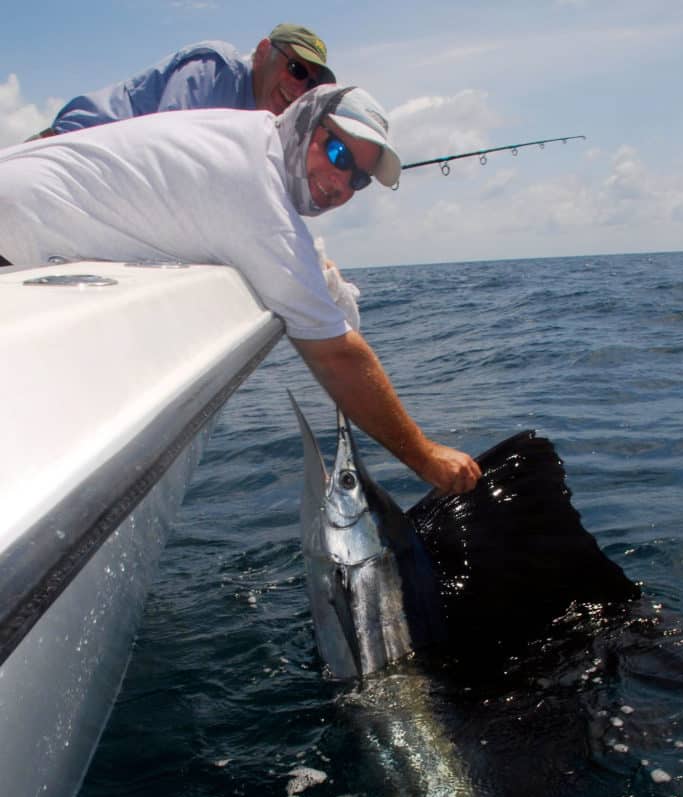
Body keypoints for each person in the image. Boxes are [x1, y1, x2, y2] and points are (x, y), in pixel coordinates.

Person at [0, 86, 481, 495]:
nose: (339, 183)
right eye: (336, 153)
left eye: (357, 178)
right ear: (306, 121)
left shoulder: (247, 139)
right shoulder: (259, 201)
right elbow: (337, 357)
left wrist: (313, 266)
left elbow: (239, 214)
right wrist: (425, 457)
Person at [29, 23, 335, 139]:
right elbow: (168, 148)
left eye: (310, 83)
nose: (299, 88)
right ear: (262, 52)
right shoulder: (216, 69)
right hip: (60, 153)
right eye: (296, 68)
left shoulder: (263, 127)